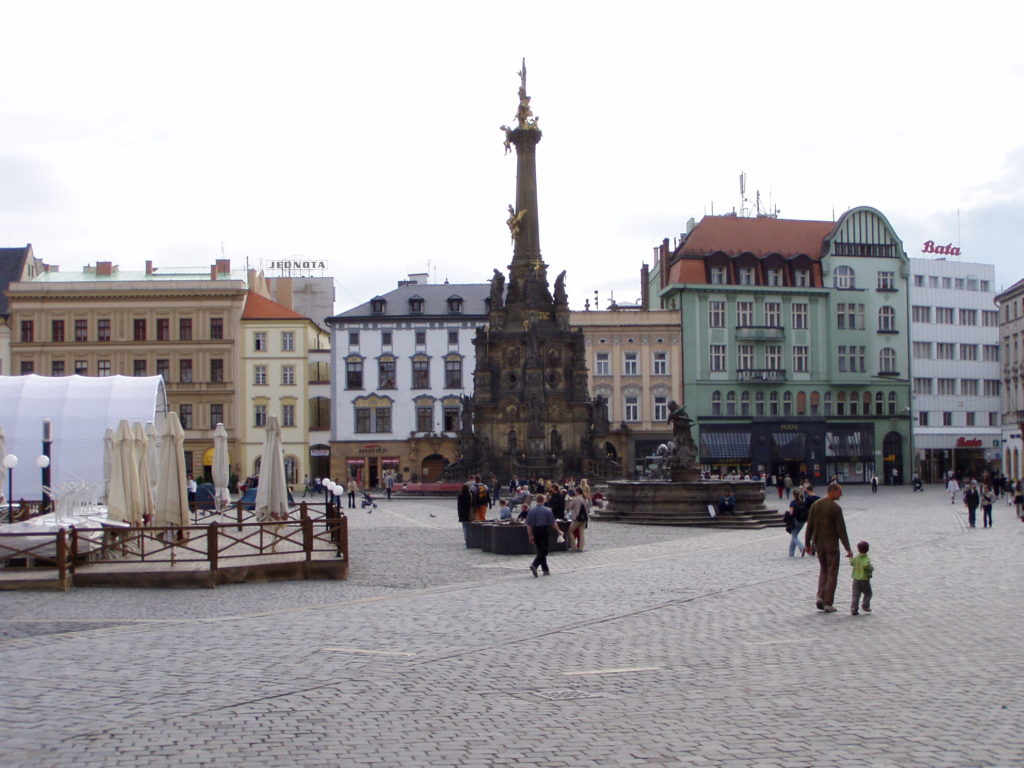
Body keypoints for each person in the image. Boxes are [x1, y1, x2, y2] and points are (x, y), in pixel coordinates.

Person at [804, 482, 852, 613]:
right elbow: (841, 530)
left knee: (823, 570)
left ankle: (820, 596)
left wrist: (807, 543)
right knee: (832, 572)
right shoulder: (835, 508)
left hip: (818, 543)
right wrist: (848, 548)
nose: (841, 494)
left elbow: (809, 526)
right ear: (833, 491)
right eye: (839, 491)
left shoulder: (816, 505)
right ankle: (828, 602)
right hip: (831, 544)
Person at [526, 494, 556, 577]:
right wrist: (559, 531)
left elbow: (529, 525)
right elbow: (553, 523)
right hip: (543, 530)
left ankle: (545, 569)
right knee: (544, 550)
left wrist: (530, 535)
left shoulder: (531, 511)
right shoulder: (548, 510)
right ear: (544, 500)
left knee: (540, 550)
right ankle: (534, 564)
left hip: (535, 530)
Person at [849, 540, 874, 615]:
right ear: (867, 549)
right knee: (868, 594)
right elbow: (866, 565)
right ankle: (865, 606)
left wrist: (850, 557)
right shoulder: (866, 558)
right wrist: (871, 568)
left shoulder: (856, 558)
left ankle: (854, 608)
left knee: (855, 595)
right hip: (864, 580)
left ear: (858, 549)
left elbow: (851, 563)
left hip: (856, 579)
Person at [785, 489, 807, 557]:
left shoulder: (793, 503)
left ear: (793, 495)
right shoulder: (802, 502)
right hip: (802, 522)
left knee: (794, 537)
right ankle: (791, 553)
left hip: (795, 521)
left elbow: (791, 513)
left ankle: (801, 548)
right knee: (794, 536)